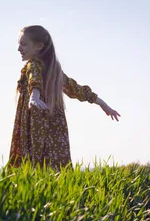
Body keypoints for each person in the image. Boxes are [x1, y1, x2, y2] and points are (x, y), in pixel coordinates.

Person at [8, 25, 120, 170]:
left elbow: (34, 79)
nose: (19, 49)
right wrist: (103, 105)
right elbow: (77, 90)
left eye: (23, 44)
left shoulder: (34, 65)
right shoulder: (53, 70)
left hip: (34, 124)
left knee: (32, 165)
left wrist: (34, 97)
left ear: (39, 46)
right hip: (54, 126)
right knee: (53, 166)